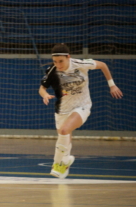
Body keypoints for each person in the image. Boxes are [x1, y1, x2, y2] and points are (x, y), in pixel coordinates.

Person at [39, 43, 123, 179]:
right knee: (64, 137)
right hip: (62, 109)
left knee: (64, 130)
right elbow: (42, 88)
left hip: (82, 106)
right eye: (55, 61)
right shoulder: (52, 70)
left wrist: (112, 85)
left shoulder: (80, 64)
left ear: (68, 57)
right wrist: (45, 95)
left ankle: (59, 163)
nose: (58, 64)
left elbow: (102, 65)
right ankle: (65, 162)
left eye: (61, 61)